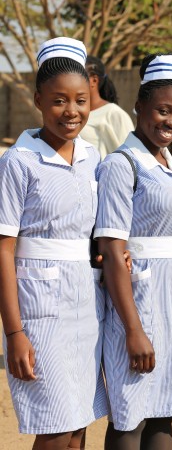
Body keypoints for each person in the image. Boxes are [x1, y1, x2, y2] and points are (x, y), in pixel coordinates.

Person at [0, 37, 108, 449]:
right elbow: (4, 248)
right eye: (59, 100)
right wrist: (14, 333)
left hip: (86, 304)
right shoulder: (17, 163)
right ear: (38, 100)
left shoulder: (92, 157)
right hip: (38, 312)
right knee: (56, 425)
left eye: (81, 100)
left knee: (79, 421)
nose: (71, 111)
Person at [95, 54, 172, 449]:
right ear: (138, 107)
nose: (171, 122)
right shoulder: (122, 165)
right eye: (162, 110)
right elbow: (111, 246)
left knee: (163, 411)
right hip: (138, 302)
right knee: (131, 415)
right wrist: (133, 330)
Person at [80, 56, 134, 158]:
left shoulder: (113, 114)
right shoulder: (70, 114)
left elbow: (132, 158)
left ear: (94, 80)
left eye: (77, 75)